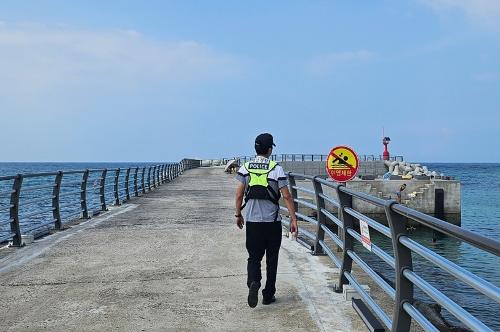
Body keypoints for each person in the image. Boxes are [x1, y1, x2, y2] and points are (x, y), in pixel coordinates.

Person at [234, 133, 298, 308]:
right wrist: (293, 219)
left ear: (255, 148)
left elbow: (239, 194)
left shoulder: (245, 168)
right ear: (269, 149)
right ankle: (268, 294)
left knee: (254, 257)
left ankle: (254, 281)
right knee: (272, 259)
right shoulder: (276, 168)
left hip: (253, 222)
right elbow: (286, 196)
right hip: (272, 223)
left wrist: (238, 214)